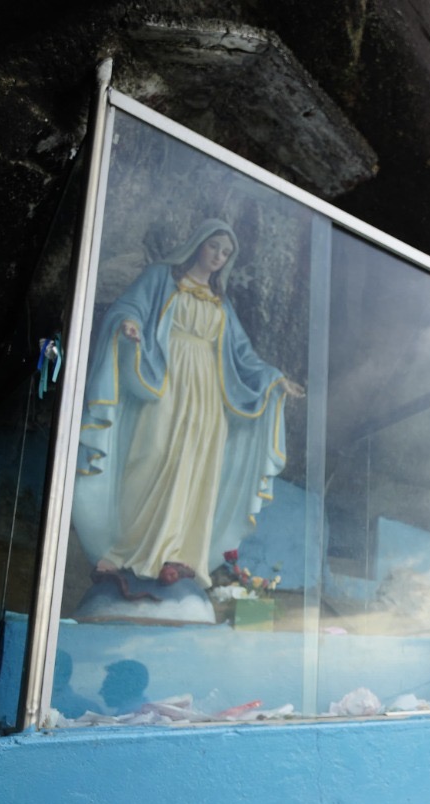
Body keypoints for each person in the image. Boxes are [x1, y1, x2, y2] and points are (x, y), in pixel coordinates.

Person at [72, 219, 304, 592]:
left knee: (195, 465)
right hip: (165, 378)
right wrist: (129, 323)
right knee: (152, 453)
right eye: (214, 247)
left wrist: (275, 378)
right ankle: (126, 549)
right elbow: (129, 306)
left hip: (207, 392)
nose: (218, 257)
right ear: (198, 244)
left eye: (225, 253)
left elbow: (242, 354)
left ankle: (178, 553)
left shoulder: (220, 301)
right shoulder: (162, 277)